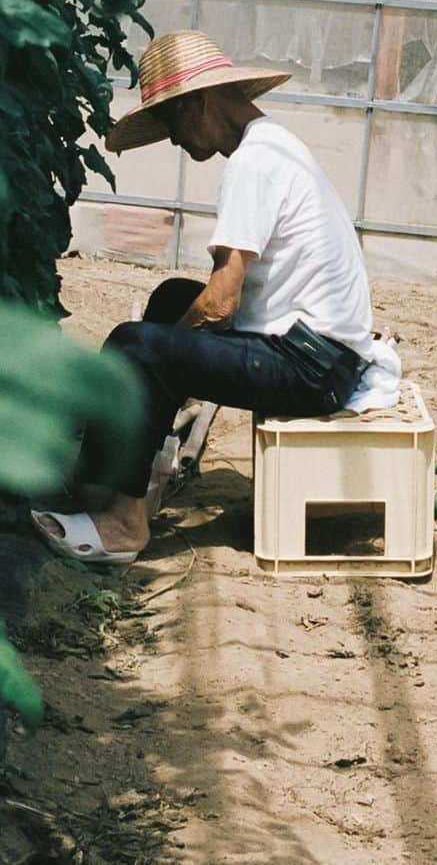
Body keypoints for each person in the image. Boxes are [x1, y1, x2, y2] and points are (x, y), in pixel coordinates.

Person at [33, 30, 403, 565]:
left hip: (311, 368)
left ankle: (121, 522)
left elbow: (221, 302)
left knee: (139, 347)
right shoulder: (272, 144)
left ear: (198, 104)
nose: (175, 141)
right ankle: (132, 467)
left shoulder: (253, 165)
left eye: (170, 123)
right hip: (320, 349)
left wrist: (159, 357)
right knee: (167, 302)